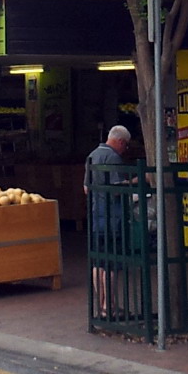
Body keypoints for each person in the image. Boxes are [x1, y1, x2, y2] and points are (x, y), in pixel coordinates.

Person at [85, 124, 134, 307]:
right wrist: (135, 181)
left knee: (98, 262)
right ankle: (110, 304)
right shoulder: (113, 158)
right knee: (112, 263)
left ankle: (101, 303)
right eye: (126, 145)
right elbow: (117, 189)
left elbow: (86, 188)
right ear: (120, 141)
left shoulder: (92, 155)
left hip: (96, 216)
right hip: (113, 218)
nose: (125, 149)